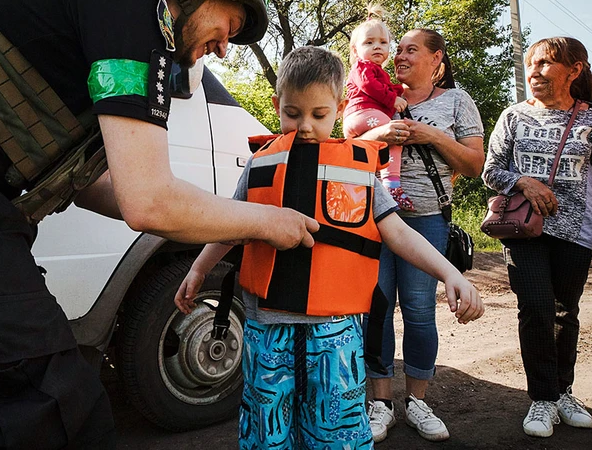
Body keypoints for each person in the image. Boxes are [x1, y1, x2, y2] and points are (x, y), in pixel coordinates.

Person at [0, 0, 323, 448]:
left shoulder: (106, 9)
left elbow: (96, 187)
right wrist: (266, 221)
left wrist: (210, 211)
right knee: (52, 413)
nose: (222, 49)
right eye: (229, 27)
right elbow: (147, 202)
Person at [173, 45, 484, 449]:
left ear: (338, 108)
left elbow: (397, 233)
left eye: (319, 115)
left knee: (335, 434)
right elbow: (230, 225)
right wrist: (198, 269)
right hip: (267, 329)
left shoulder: (357, 168)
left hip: (334, 334)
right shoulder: (260, 164)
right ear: (276, 104)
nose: (304, 126)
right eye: (292, 113)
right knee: (268, 434)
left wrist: (449, 272)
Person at [482, 37, 592, 438]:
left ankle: (564, 391)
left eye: (546, 63)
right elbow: (490, 170)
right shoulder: (513, 116)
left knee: (566, 311)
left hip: (576, 233)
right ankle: (542, 399)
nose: (535, 71)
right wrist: (524, 182)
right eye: (531, 64)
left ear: (574, 69)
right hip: (522, 230)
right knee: (536, 307)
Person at [355, 28, 485, 443]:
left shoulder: (457, 100)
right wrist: (377, 136)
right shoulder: (370, 90)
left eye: (412, 50)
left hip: (428, 218)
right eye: (400, 50)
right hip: (372, 218)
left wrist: (430, 134)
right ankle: (381, 404)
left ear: (437, 60)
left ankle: (418, 402)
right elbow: (343, 146)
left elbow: (474, 165)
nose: (400, 57)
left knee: (418, 309)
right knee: (375, 308)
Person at [342, 5, 413, 210]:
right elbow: (370, 87)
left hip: (361, 119)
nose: (377, 47)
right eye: (369, 42)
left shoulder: (377, 70)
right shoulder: (363, 66)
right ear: (356, 50)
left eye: (383, 43)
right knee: (396, 135)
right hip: (363, 114)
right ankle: (392, 185)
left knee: (374, 150)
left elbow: (383, 86)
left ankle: (369, 184)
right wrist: (392, 99)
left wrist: (397, 89)